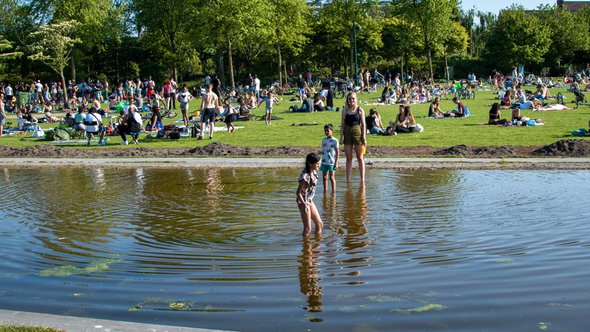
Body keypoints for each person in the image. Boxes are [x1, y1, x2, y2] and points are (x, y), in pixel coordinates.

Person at [339, 92, 366, 182]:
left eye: (353, 98)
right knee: (348, 158)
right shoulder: (345, 110)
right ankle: (348, 179)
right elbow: (342, 125)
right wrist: (341, 137)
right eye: (349, 98)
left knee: (360, 157)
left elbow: (364, 124)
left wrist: (364, 137)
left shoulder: (360, 110)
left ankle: (362, 179)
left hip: (357, 133)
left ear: (356, 99)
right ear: (347, 100)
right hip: (347, 134)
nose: (351, 100)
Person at [296, 153, 323, 236]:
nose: (319, 165)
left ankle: (317, 245)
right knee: (308, 229)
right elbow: (298, 193)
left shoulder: (314, 172)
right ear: (310, 164)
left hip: (309, 200)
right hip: (303, 202)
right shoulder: (305, 177)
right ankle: (306, 248)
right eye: (317, 164)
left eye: (319, 163)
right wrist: (305, 205)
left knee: (319, 224)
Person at [320, 124, 339, 193]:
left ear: (332, 131)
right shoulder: (323, 140)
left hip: (331, 162)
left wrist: (336, 162)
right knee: (324, 177)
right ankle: (325, 191)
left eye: (327, 131)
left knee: (331, 177)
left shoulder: (335, 141)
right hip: (324, 161)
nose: (326, 132)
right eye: (325, 131)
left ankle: (333, 192)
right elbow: (323, 151)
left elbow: (337, 153)